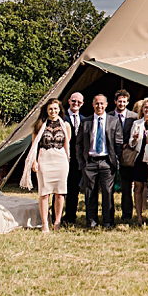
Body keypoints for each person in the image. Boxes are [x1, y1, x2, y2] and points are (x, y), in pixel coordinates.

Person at [21, 98, 70, 232]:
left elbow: (67, 143)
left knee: (60, 193)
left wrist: (67, 158)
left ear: (59, 110)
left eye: (55, 109)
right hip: (45, 158)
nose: (53, 111)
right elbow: (34, 145)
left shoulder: (65, 125)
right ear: (46, 110)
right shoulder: (39, 125)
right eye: (50, 109)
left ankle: (57, 221)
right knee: (44, 193)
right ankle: (44, 223)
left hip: (60, 159)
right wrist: (34, 161)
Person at [76, 94, 123, 229]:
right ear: (92, 105)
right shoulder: (86, 122)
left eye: (102, 104)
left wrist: (116, 160)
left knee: (108, 193)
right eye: (97, 103)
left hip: (107, 162)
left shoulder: (113, 121)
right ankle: (91, 222)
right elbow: (79, 143)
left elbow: (119, 143)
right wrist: (82, 162)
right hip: (90, 162)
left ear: (107, 104)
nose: (99, 106)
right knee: (90, 193)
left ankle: (108, 222)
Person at [127, 97, 148, 226]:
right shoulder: (137, 123)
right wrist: (134, 139)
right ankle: (139, 216)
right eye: (145, 108)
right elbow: (131, 142)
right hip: (140, 157)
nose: (147, 110)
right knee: (138, 187)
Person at [110, 89, 138, 223]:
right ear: (115, 102)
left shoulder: (134, 117)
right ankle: (109, 214)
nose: (121, 104)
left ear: (127, 102)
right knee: (108, 187)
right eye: (119, 101)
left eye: (124, 101)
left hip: (127, 155)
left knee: (127, 187)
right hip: (111, 154)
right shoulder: (108, 116)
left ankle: (127, 215)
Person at [61, 92, 85, 224]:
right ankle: (56, 216)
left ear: (82, 104)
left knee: (74, 188)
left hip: (77, 160)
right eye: (74, 101)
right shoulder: (61, 118)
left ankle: (71, 216)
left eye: (79, 102)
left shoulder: (85, 119)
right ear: (69, 101)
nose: (76, 103)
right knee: (59, 188)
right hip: (62, 157)